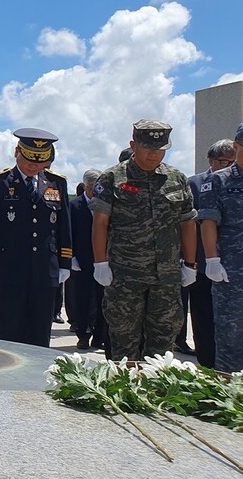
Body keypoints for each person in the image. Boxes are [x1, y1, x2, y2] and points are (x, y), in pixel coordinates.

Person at [90, 120, 197, 360]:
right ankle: (122, 393)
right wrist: (100, 264)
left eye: (160, 149)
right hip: (125, 276)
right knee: (124, 341)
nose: (154, 154)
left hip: (166, 276)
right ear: (133, 145)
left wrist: (190, 264)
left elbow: (187, 223)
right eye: (148, 148)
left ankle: (154, 393)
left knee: (163, 342)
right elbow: (100, 223)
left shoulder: (176, 178)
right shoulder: (112, 178)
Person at [0, 128, 72, 347]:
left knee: (40, 330)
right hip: (11, 267)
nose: (33, 166)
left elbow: (64, 225)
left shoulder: (56, 183)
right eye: (29, 160)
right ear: (16, 152)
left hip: (45, 268)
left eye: (39, 162)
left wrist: (65, 262)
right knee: (11, 329)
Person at [197, 124, 243, 372]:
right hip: (232, 273)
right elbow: (208, 222)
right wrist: (213, 260)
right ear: (236, 148)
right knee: (230, 337)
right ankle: (230, 395)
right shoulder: (219, 180)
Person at [186, 139, 234, 368]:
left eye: (231, 161)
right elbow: (186, 225)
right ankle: (206, 364)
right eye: (224, 161)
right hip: (203, 265)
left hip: (234, 264)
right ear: (211, 161)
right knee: (203, 318)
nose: (228, 165)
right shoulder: (194, 184)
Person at [68, 169, 106, 351]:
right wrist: (71, 256)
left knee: (102, 299)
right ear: (84, 186)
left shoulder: (105, 204)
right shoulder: (74, 205)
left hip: (102, 260)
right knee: (82, 299)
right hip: (81, 260)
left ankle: (99, 337)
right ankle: (82, 334)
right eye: (91, 188)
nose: (94, 191)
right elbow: (68, 233)